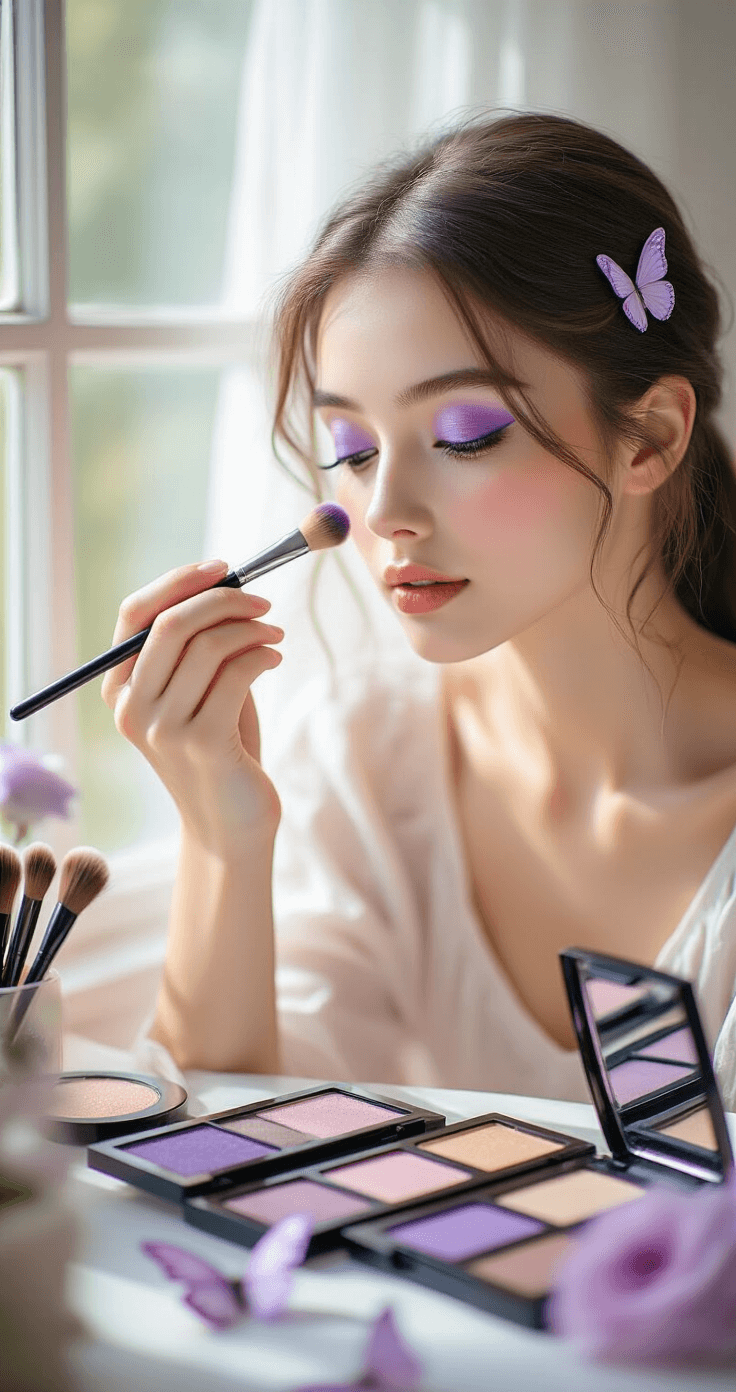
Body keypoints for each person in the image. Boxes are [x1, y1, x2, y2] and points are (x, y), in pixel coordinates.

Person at [103, 112, 736, 1106]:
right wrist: (223, 835)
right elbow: (216, 1136)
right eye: (351, 450)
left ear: (648, 436)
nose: (385, 513)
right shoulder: (368, 757)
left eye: (465, 433)